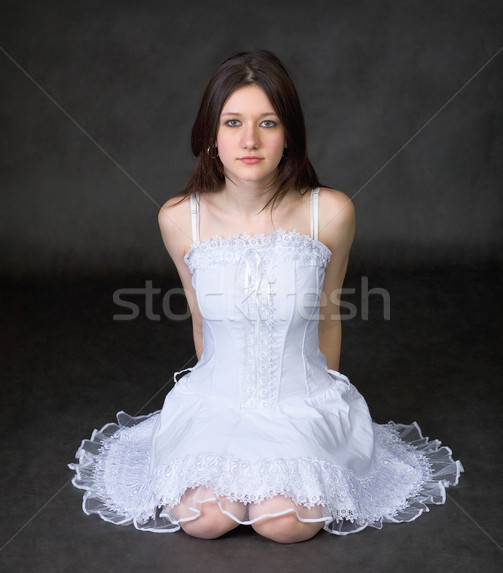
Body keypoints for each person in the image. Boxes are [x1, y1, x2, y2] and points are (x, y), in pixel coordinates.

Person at [69, 50, 463, 544]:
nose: (249, 140)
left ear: (288, 137)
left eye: (267, 123)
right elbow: (200, 322)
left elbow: (328, 316)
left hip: (301, 401)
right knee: (205, 519)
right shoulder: (179, 219)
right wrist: (221, 425)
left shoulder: (330, 213)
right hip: (218, 402)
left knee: (286, 523)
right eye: (233, 122)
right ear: (211, 135)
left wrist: (326, 415)